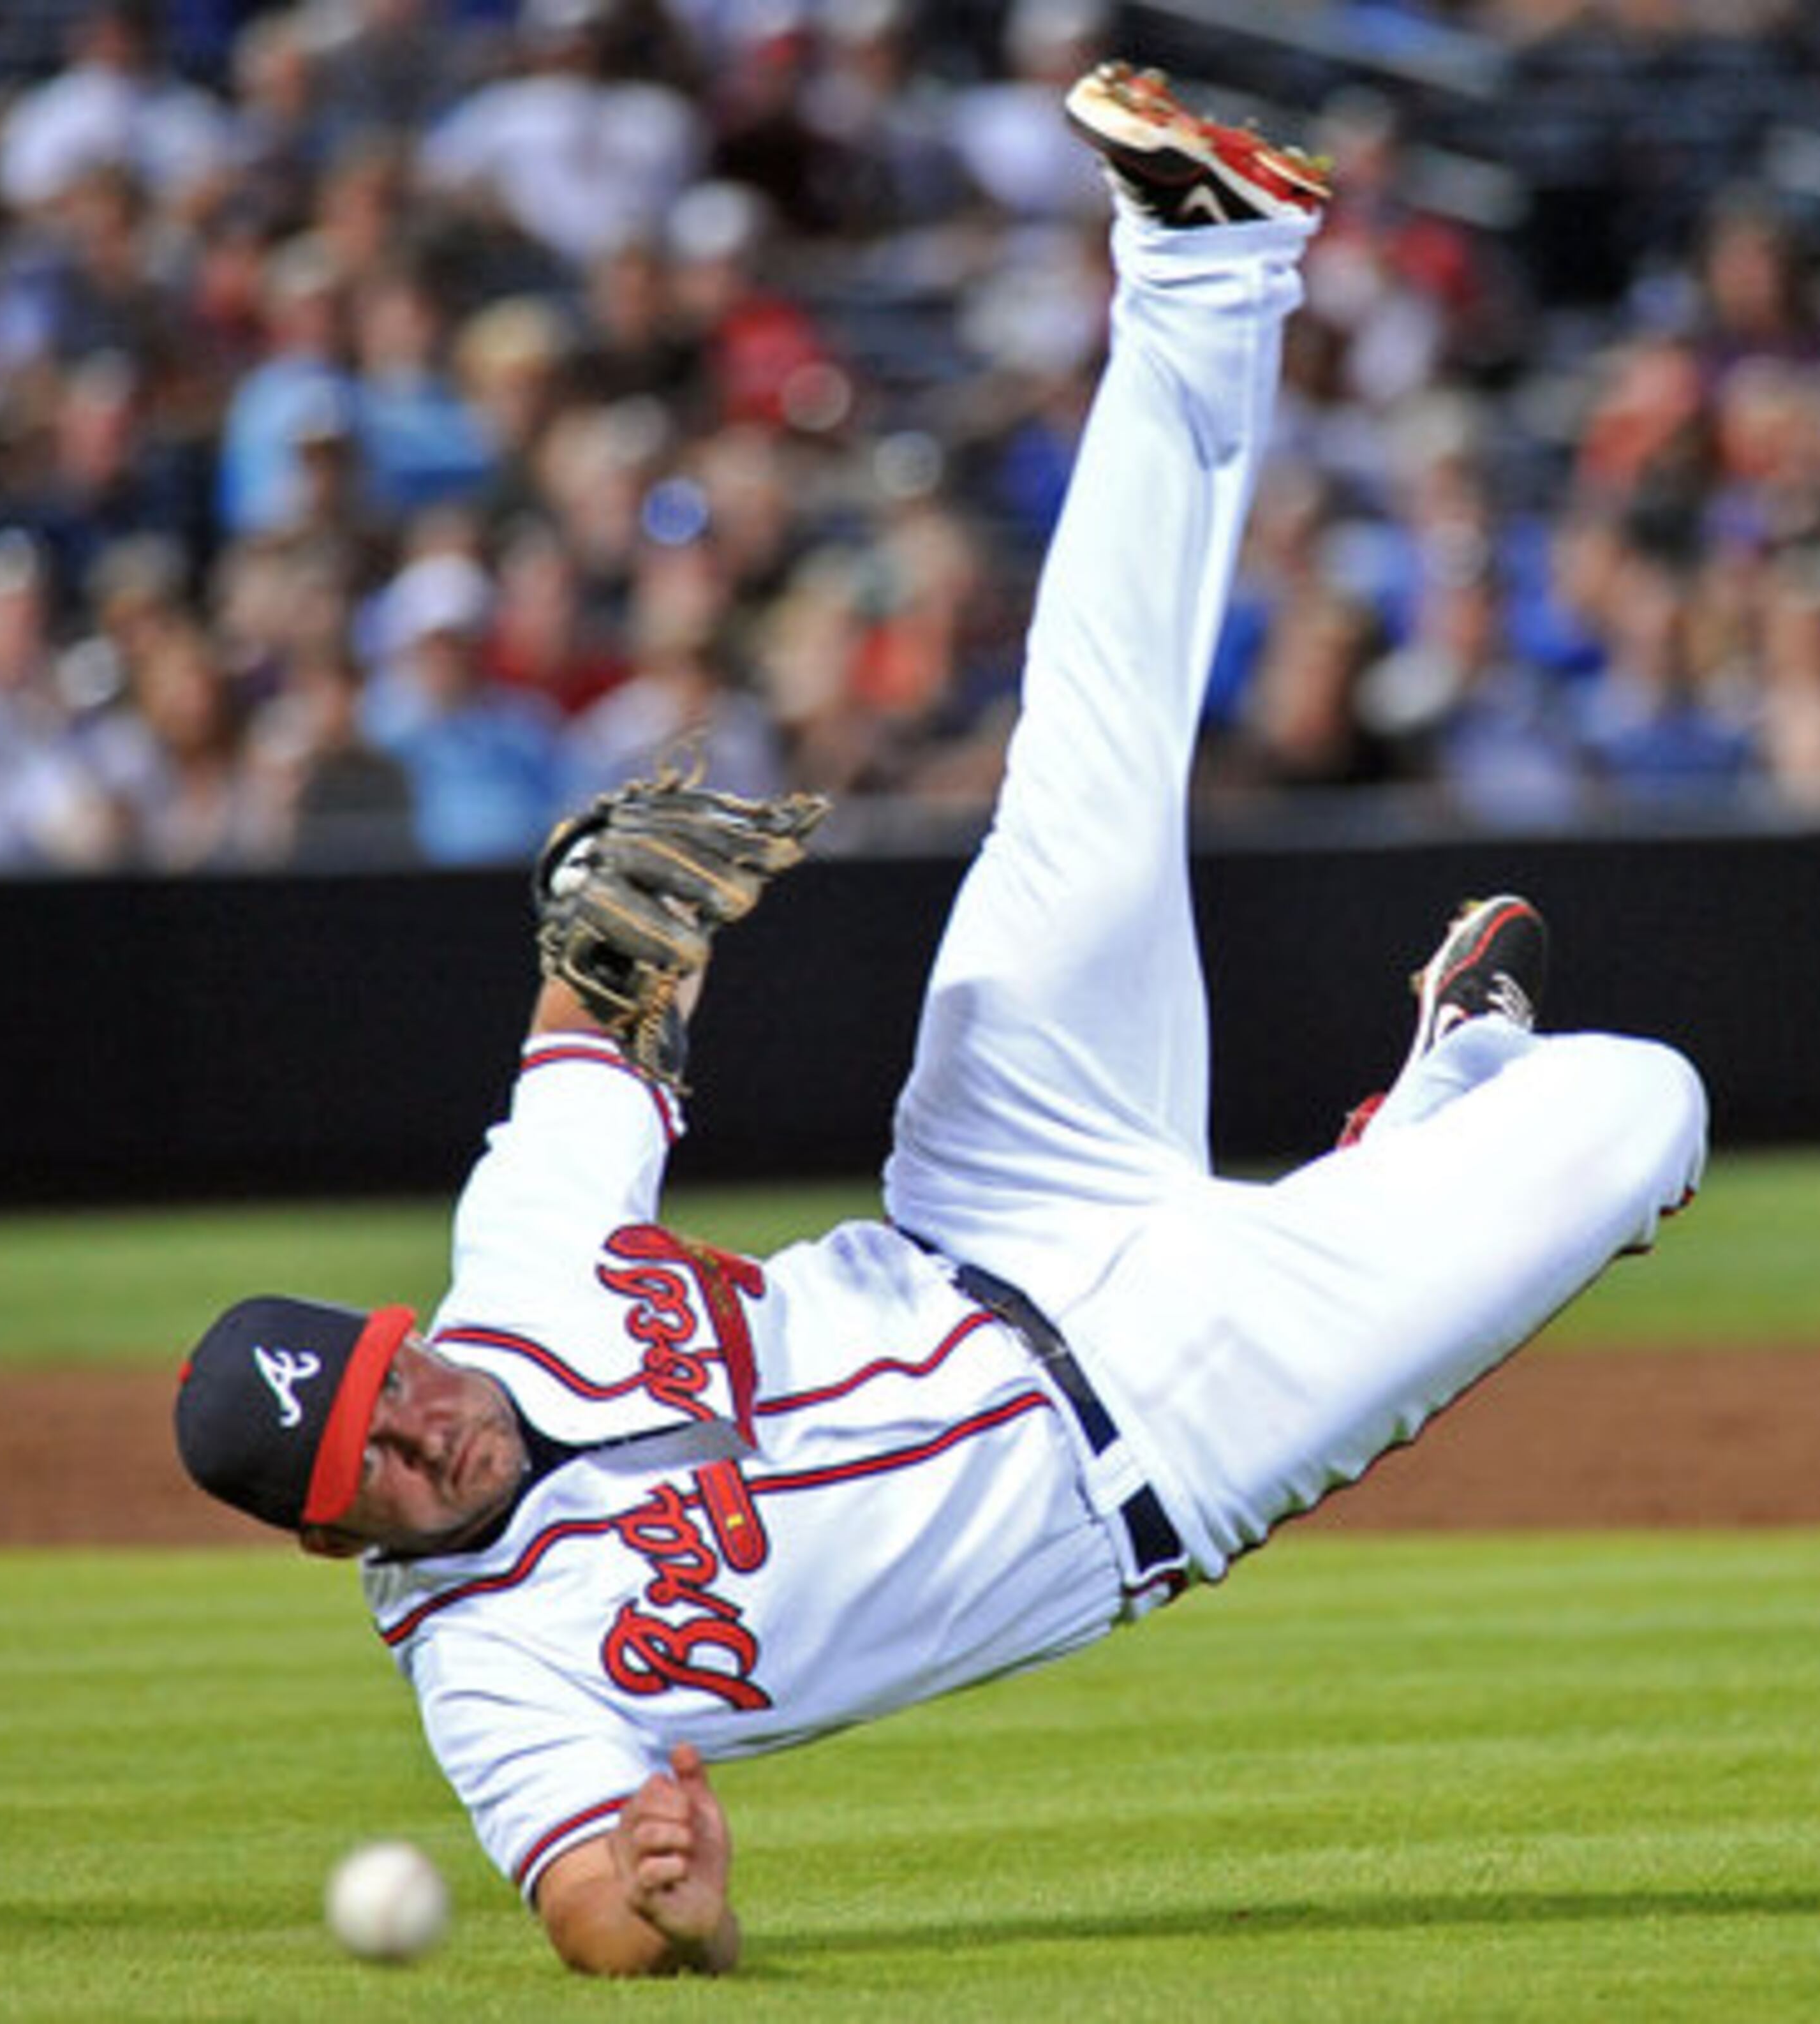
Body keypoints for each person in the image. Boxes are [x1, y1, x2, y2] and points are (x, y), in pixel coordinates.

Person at [174, 66, 1708, 1979]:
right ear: (339, 1545)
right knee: (1646, 1103)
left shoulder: (512, 1277)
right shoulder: (492, 1672)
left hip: (992, 1202)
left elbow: (588, 1034)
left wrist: (599, 947)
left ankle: (1207, 260)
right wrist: (676, 1900)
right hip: (1175, 1425)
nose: (421, 1430)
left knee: (1084, 756)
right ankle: (1446, 1100)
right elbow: (607, 1920)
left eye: (389, 1383)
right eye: (374, 1471)